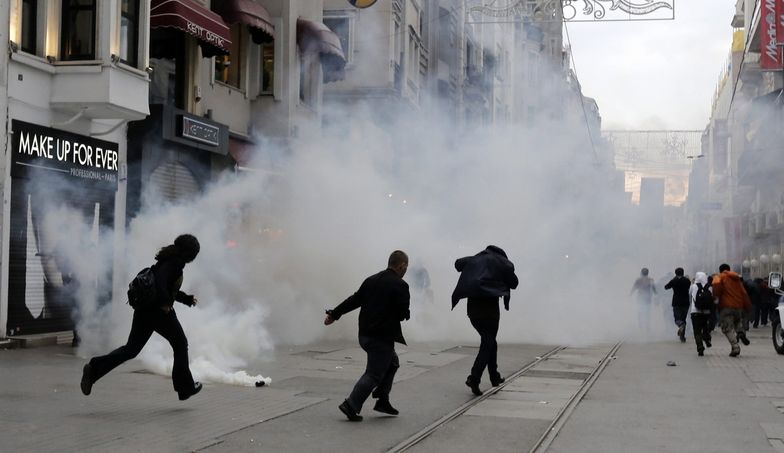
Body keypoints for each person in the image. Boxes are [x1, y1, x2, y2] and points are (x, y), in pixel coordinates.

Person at [80, 234, 203, 401]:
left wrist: (186, 299)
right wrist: (166, 304)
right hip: (158, 312)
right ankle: (185, 388)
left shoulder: (168, 259)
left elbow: (165, 285)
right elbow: (160, 284)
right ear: (190, 253)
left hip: (144, 311)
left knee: (131, 350)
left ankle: (94, 369)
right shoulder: (175, 262)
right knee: (181, 344)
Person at [324, 250, 410, 422]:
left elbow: (354, 300)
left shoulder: (371, 280)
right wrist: (405, 312)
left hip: (364, 335)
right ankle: (351, 404)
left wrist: (335, 314)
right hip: (381, 338)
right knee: (373, 374)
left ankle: (382, 399)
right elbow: (401, 314)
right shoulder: (400, 285)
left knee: (393, 362)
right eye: (406, 268)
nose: (405, 271)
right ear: (402, 266)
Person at [451, 245, 519, 396]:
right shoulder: (501, 263)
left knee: (489, 342)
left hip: (473, 311)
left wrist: (474, 261)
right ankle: (474, 377)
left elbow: (458, 264)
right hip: (490, 311)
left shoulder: (475, 259)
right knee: (488, 342)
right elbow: (514, 283)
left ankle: (494, 376)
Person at [712, 263, 753, 357]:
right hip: (738, 306)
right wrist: (747, 306)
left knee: (727, 328)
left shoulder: (719, 277)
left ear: (720, 270)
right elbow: (744, 293)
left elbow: (716, 289)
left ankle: (735, 347)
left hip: (726, 306)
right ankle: (741, 332)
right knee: (737, 322)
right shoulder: (737, 278)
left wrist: (716, 300)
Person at [689, 272, 714, 356]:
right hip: (706, 312)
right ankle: (707, 339)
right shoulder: (709, 286)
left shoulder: (694, 286)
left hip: (695, 311)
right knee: (705, 327)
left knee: (697, 331)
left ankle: (700, 347)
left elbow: (690, 294)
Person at [664, 268, 692, 342]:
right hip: (685, 302)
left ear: (676, 273)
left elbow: (666, 287)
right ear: (683, 273)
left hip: (676, 302)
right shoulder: (687, 281)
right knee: (683, 319)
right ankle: (682, 337)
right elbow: (689, 286)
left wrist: (673, 280)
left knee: (677, 319)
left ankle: (681, 325)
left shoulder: (674, 280)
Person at [630, 268, 657, 332]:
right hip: (648, 300)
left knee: (640, 313)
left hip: (640, 299)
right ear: (648, 273)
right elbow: (654, 289)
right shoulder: (650, 280)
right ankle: (647, 327)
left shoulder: (638, 280)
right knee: (647, 314)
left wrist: (630, 294)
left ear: (641, 273)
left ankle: (641, 327)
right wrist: (656, 294)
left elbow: (634, 288)